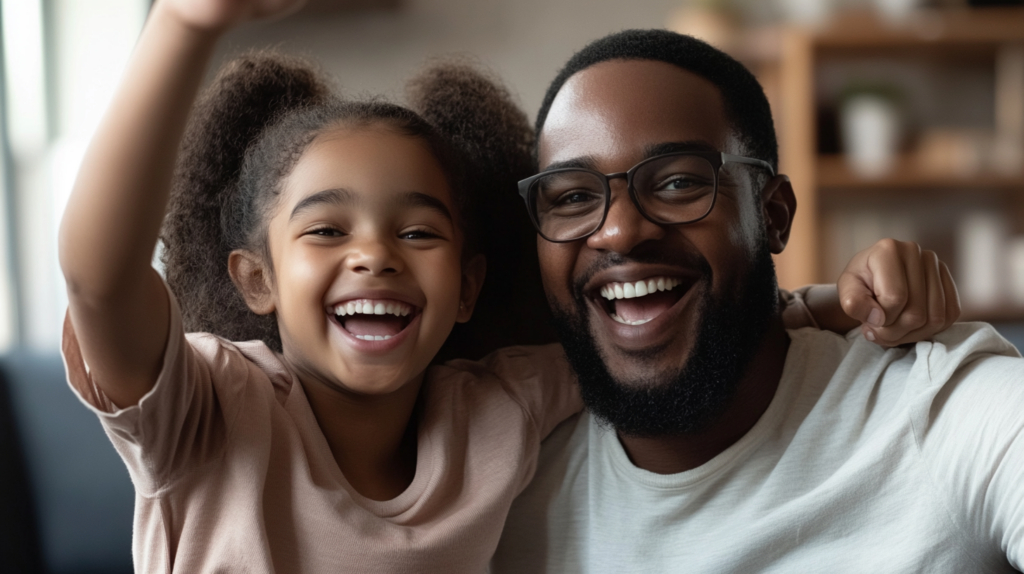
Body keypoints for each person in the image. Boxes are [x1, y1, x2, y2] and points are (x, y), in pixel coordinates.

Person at [57, 2, 961, 571]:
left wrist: (841, 303)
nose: (374, 256)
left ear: (469, 283)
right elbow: (100, 280)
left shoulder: (499, 407)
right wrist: (184, 24)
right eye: (326, 230)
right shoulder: (208, 411)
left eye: (418, 231)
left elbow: (659, 322)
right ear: (254, 279)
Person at [491, 29, 1024, 573]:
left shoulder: (938, 411)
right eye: (574, 197)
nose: (620, 232)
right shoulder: (497, 495)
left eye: (677, 182)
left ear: (773, 215)